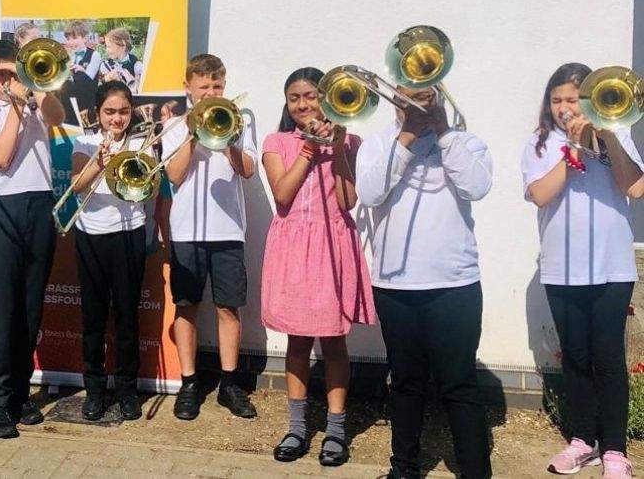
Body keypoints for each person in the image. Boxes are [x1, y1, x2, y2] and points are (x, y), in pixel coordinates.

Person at [355, 86, 493, 479]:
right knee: (405, 382)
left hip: (455, 284)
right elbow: (368, 192)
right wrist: (407, 139)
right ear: (393, 98)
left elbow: (476, 187)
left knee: (460, 384)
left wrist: (444, 134)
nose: (414, 103)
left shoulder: (464, 140)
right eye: (404, 95)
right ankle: (404, 469)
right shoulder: (379, 143)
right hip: (395, 286)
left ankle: (475, 472)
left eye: (422, 95)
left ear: (438, 94)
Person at [522, 63, 644, 478]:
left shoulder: (618, 133)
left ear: (589, 100)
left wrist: (605, 136)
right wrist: (569, 154)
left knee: (608, 359)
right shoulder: (540, 144)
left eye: (571, 100)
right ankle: (581, 442)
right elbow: (539, 195)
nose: (563, 108)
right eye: (556, 100)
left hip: (612, 267)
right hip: (561, 269)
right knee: (574, 359)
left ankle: (614, 451)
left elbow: (635, 187)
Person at [261, 68, 375, 466]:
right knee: (296, 341)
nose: (303, 105)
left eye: (310, 96)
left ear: (325, 98)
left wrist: (339, 148)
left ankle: (337, 430)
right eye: (295, 98)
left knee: (333, 341)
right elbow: (282, 195)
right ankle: (296, 427)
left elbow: (347, 201)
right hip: (294, 245)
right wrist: (309, 151)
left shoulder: (352, 140)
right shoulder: (276, 141)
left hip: (331, 246)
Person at [0, 39, 65, 439]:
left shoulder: (37, 104)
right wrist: (14, 104)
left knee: (30, 307)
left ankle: (19, 395)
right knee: (2, 309)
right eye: (0, 75)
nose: (8, 81)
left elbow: (59, 117)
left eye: (14, 73)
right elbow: (2, 158)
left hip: (39, 205)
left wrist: (36, 89)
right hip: (0, 211)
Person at [163, 54, 258, 420]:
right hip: (187, 229)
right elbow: (173, 175)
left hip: (228, 230)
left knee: (228, 307)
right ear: (188, 88)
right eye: (203, 87)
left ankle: (229, 384)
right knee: (186, 306)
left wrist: (229, 138)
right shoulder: (174, 126)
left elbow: (247, 170)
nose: (211, 93)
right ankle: (189, 383)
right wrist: (191, 132)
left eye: (216, 87)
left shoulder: (238, 122)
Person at [69, 81, 149, 421]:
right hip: (92, 235)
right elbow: (76, 185)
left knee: (128, 317)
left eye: (123, 112)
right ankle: (95, 389)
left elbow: (147, 188)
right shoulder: (84, 141)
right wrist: (98, 163)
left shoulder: (143, 141)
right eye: (110, 112)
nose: (117, 118)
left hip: (129, 232)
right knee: (93, 317)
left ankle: (128, 389)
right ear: (99, 113)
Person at [99, 27, 144, 94]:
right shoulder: (105, 65)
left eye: (109, 47)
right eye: (106, 46)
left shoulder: (136, 64)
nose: (107, 50)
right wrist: (107, 79)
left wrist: (133, 80)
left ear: (123, 46)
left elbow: (139, 90)